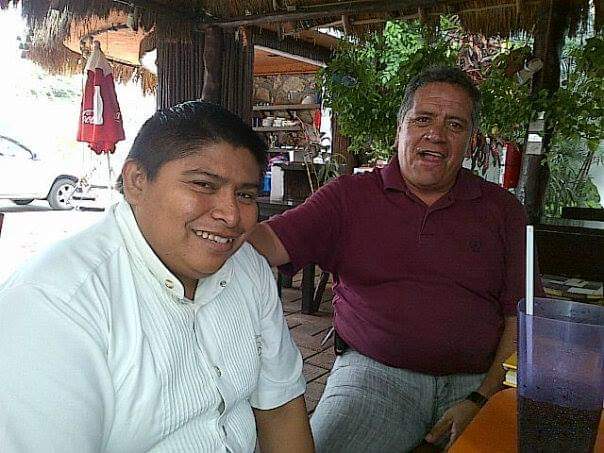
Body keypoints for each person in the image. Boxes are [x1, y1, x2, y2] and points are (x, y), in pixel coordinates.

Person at [247, 66, 543, 452]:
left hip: (479, 380)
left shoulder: (503, 210)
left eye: (455, 125)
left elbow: (523, 319)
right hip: (374, 376)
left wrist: (481, 397)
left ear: (470, 142)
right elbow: (267, 243)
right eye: (423, 119)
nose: (436, 134)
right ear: (399, 128)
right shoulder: (348, 197)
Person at [0, 101, 314, 452]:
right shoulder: (55, 306)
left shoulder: (247, 266)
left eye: (245, 195)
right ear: (136, 181)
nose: (231, 215)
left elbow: (281, 406)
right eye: (203, 185)